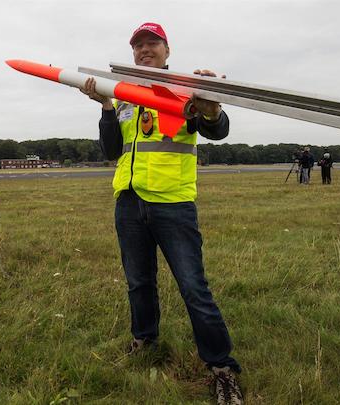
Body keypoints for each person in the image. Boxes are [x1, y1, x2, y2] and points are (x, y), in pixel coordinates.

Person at [80, 22, 243, 404]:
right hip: (129, 200)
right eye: (138, 45)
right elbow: (110, 150)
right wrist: (105, 105)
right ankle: (145, 340)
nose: (143, 50)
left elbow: (217, 130)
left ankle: (222, 367)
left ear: (167, 50)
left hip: (172, 203)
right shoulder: (122, 94)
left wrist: (213, 106)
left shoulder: (185, 88)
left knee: (193, 287)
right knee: (138, 281)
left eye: (152, 44)